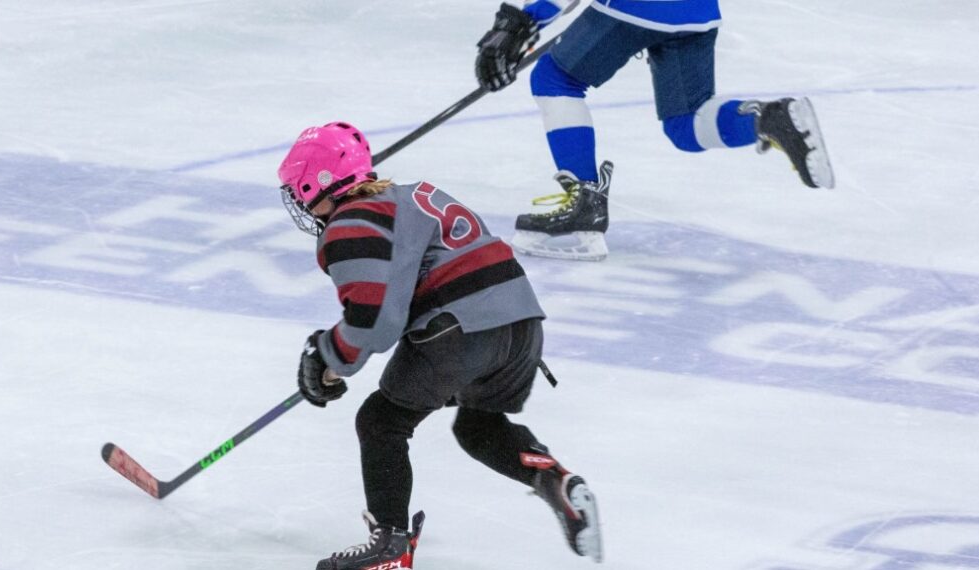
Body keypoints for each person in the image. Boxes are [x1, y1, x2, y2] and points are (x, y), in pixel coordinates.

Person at [276, 122, 603, 569]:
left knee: (381, 422)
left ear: (321, 183)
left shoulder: (351, 221)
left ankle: (389, 549)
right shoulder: (413, 196)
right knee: (478, 427)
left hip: (460, 330)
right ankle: (554, 481)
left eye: (299, 189)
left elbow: (374, 324)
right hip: (522, 326)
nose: (299, 201)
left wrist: (326, 357)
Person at [475, 0, 836, 261]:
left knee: (556, 79)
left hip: (636, 6)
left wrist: (519, 22)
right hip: (697, 12)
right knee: (686, 125)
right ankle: (768, 119)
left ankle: (585, 206)